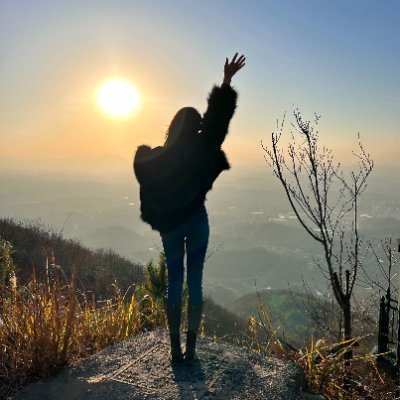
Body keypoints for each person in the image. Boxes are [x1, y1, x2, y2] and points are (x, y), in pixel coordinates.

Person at [133, 53, 245, 364]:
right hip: (197, 223)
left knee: (173, 283)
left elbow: (142, 163)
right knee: (195, 284)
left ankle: (173, 351)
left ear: (172, 127)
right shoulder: (202, 147)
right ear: (195, 129)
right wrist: (226, 81)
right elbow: (217, 119)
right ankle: (192, 351)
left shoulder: (156, 157)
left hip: (170, 226)